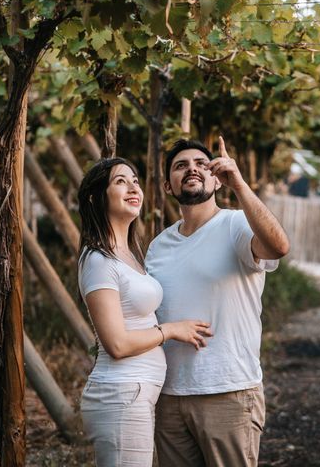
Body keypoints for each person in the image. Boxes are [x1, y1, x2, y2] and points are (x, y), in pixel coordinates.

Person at [146, 137, 290, 467]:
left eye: (201, 163)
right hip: (170, 396)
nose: (192, 169)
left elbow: (279, 247)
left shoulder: (236, 224)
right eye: (180, 166)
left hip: (228, 390)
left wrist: (239, 184)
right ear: (168, 185)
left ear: (215, 178)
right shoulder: (158, 246)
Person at [77, 157, 213, 467]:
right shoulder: (99, 260)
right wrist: (171, 330)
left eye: (135, 180)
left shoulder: (130, 254)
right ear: (95, 197)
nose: (132, 187)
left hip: (135, 393)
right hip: (121, 393)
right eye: (120, 181)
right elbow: (117, 344)